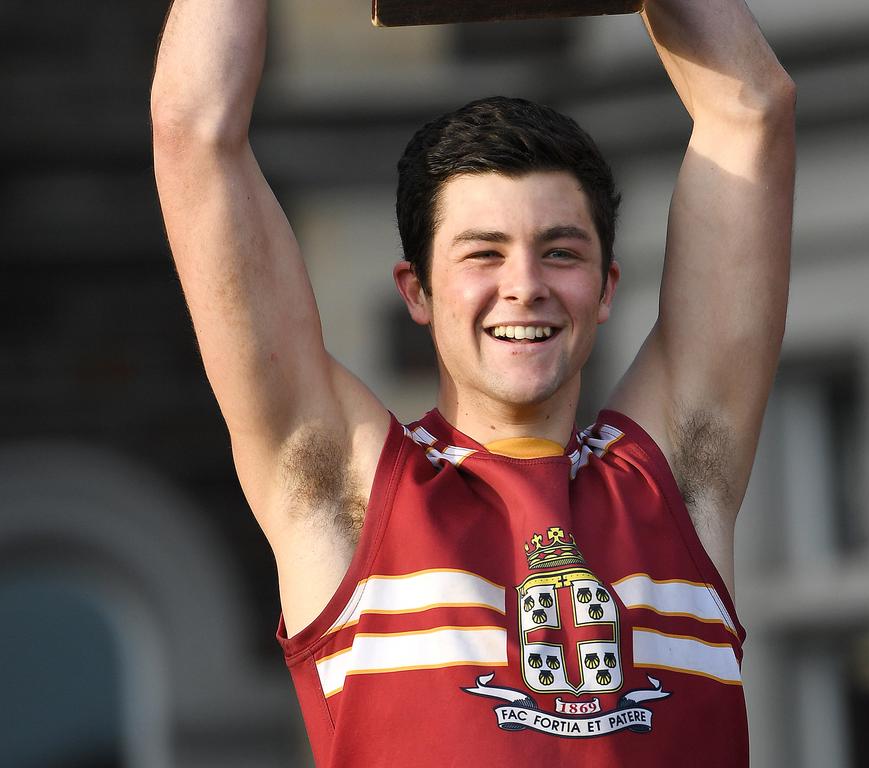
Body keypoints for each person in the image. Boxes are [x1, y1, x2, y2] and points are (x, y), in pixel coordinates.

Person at [151, 0, 794, 765]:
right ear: (416, 291)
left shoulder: (679, 480)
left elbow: (752, 108)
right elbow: (195, 133)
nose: (524, 286)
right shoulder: (347, 495)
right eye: (482, 253)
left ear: (607, 285)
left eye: (560, 252)